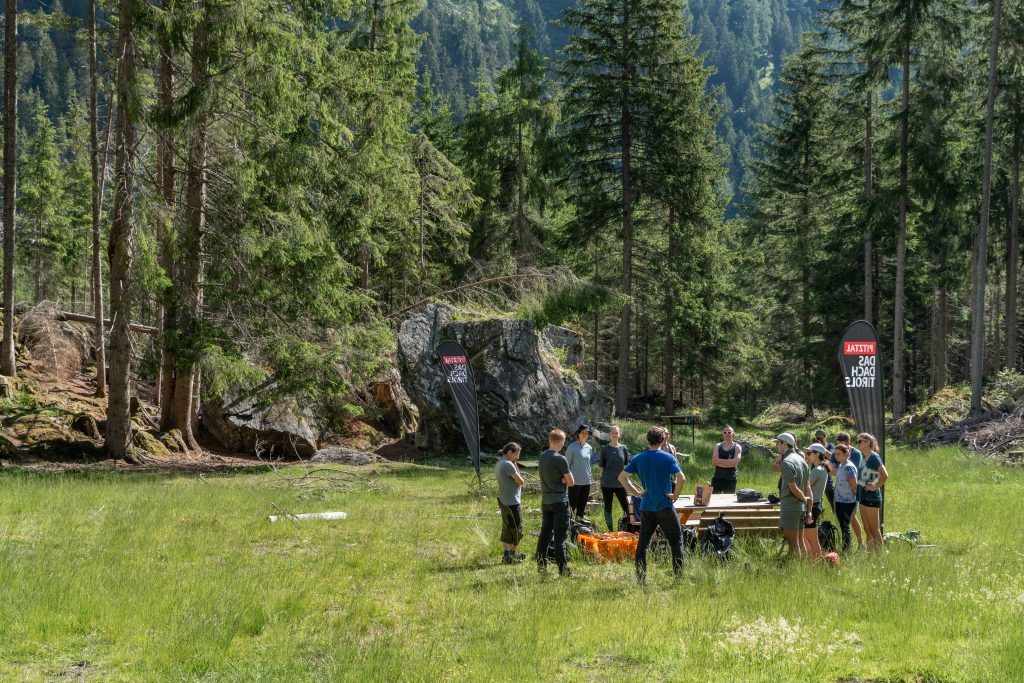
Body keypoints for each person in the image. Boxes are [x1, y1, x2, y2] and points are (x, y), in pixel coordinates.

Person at [618, 426, 686, 583]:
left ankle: (641, 579)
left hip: (647, 507)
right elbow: (681, 478)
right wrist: (675, 496)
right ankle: (678, 578)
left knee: (643, 544)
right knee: (676, 541)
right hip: (664, 506)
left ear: (648, 439)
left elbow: (622, 477)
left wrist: (637, 493)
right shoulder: (668, 458)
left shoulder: (639, 458)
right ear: (662, 440)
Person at [536, 429, 575, 576]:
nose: (564, 444)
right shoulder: (560, 459)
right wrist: (563, 480)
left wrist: (562, 479)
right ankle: (563, 569)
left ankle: (541, 566)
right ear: (558, 442)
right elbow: (571, 482)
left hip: (546, 501)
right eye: (563, 442)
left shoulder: (542, 457)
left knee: (545, 534)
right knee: (560, 536)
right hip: (560, 501)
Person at [771, 432, 812, 557]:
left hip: (790, 507)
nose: (776, 446)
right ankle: (805, 566)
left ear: (784, 444)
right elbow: (808, 488)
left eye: (778, 443)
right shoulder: (802, 461)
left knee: (793, 545)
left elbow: (793, 488)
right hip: (801, 508)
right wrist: (808, 508)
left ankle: (796, 567)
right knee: (800, 541)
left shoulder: (786, 462)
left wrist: (804, 499)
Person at [856, 432, 889, 552]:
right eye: (857, 441)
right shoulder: (864, 457)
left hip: (872, 498)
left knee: (875, 530)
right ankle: (870, 555)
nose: (857, 444)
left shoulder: (874, 457)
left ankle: (879, 557)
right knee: (867, 529)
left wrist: (875, 486)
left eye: (860, 441)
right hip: (863, 497)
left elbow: (884, 475)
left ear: (868, 442)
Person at [831, 432, 865, 549]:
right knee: (844, 525)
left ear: (846, 454)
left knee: (848, 523)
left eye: (838, 454)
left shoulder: (849, 466)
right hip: (840, 500)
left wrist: (857, 500)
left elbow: (854, 485)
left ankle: (850, 548)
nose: (836, 456)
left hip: (848, 501)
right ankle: (847, 547)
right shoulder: (841, 465)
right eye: (835, 454)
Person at [495, 442, 526, 564]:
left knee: (507, 529)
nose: (517, 457)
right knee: (517, 530)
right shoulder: (508, 464)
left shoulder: (499, 463)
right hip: (512, 503)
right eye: (516, 454)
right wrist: (515, 465)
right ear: (509, 452)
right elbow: (521, 481)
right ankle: (512, 556)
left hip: (504, 501)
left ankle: (507, 556)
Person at [597, 425, 630, 531]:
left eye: (616, 433)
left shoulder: (623, 448)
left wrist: (627, 480)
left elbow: (626, 466)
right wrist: (602, 480)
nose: (614, 435)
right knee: (608, 507)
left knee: (627, 507)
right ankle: (610, 530)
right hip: (607, 484)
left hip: (621, 483)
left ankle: (627, 527)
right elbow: (601, 467)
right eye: (612, 433)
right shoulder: (605, 449)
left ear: (619, 435)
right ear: (609, 435)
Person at [803, 443, 830, 560]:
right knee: (813, 539)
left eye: (809, 453)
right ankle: (817, 561)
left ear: (817, 454)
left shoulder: (817, 470)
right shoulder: (821, 469)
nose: (807, 455)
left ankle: (812, 561)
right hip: (816, 505)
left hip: (812, 506)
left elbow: (804, 487)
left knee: (807, 537)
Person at [565, 424, 594, 519]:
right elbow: (566, 465)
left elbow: (587, 464)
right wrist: (567, 479)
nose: (584, 434)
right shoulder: (572, 447)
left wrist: (591, 476)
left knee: (582, 506)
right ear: (578, 434)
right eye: (582, 432)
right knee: (572, 506)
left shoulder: (589, 447)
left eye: (586, 433)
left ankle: (580, 524)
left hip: (587, 481)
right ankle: (569, 525)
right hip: (574, 482)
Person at [710, 425, 743, 494]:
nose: (727, 434)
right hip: (717, 478)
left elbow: (734, 463)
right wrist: (729, 462)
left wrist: (719, 461)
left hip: (730, 480)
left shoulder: (737, 447)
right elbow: (713, 461)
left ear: (733, 434)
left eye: (729, 432)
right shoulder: (718, 446)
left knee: (728, 500)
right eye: (725, 432)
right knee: (713, 499)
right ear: (723, 434)